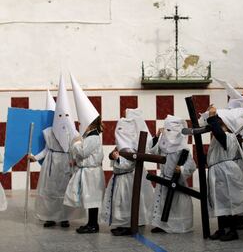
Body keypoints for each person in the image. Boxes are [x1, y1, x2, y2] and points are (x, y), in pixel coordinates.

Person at [30, 81, 83, 228]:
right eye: (60, 115)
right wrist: (35, 157)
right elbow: (47, 150)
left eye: (66, 114)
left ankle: (65, 217)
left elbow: (78, 149)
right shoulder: (48, 133)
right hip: (52, 164)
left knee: (65, 191)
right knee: (51, 192)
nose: (63, 117)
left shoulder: (75, 133)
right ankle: (50, 217)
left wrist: (76, 160)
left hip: (67, 163)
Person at [100, 108, 154, 236]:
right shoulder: (122, 146)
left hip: (127, 179)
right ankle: (124, 224)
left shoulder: (129, 148)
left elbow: (128, 163)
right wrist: (114, 156)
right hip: (121, 178)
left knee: (126, 202)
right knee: (122, 202)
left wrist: (117, 158)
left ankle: (128, 225)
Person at [64, 74, 105, 234]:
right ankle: (91, 223)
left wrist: (76, 142)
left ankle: (93, 225)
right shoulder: (90, 136)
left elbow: (82, 152)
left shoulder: (93, 137)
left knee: (92, 199)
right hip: (88, 172)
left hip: (91, 172)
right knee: (89, 198)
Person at [204, 105, 243, 241]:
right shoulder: (220, 136)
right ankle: (222, 229)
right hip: (219, 172)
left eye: (221, 121)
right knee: (221, 203)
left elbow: (219, 133)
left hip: (226, 173)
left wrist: (212, 117)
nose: (219, 123)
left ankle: (232, 231)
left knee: (228, 202)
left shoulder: (228, 136)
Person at [149, 115, 196, 233]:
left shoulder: (182, 148)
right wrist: (157, 136)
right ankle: (161, 225)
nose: (167, 133)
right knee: (162, 203)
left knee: (176, 205)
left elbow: (192, 165)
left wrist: (182, 169)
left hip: (176, 180)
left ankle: (177, 226)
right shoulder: (163, 144)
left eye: (169, 130)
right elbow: (153, 151)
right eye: (166, 129)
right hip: (164, 179)